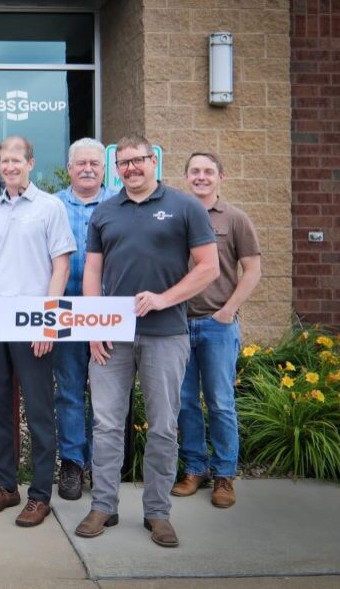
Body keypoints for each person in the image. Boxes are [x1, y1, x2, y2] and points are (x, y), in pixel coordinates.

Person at [75, 135, 218, 549]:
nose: (131, 168)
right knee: (104, 424)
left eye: (138, 160)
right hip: (112, 337)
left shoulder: (184, 206)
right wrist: (93, 325)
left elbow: (209, 268)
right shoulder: (105, 211)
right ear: (115, 167)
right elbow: (92, 274)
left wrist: (163, 298)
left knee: (162, 427)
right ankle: (103, 505)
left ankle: (157, 513)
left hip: (166, 334)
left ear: (152, 161)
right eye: (123, 163)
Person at [0, 136, 75, 528]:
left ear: (30, 163)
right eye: (4, 161)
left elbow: (60, 267)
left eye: (16, 160)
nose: (10, 166)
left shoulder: (50, 207)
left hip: (33, 320)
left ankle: (41, 495)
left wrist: (49, 321)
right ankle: (6, 486)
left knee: (39, 410)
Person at [172, 152, 261, 509]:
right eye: (195, 171)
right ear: (186, 176)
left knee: (221, 402)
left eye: (208, 171)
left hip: (217, 326)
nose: (201, 177)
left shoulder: (235, 218)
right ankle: (195, 469)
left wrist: (229, 311)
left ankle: (225, 474)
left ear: (221, 177)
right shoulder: (175, 215)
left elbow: (252, 270)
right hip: (177, 325)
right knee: (186, 402)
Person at [52, 137, 118, 500]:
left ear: (104, 168)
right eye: (81, 163)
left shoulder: (119, 205)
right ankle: (74, 464)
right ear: (70, 167)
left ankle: (103, 464)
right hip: (65, 313)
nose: (88, 168)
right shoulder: (53, 205)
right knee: (70, 390)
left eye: (95, 163)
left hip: (108, 314)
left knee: (108, 394)